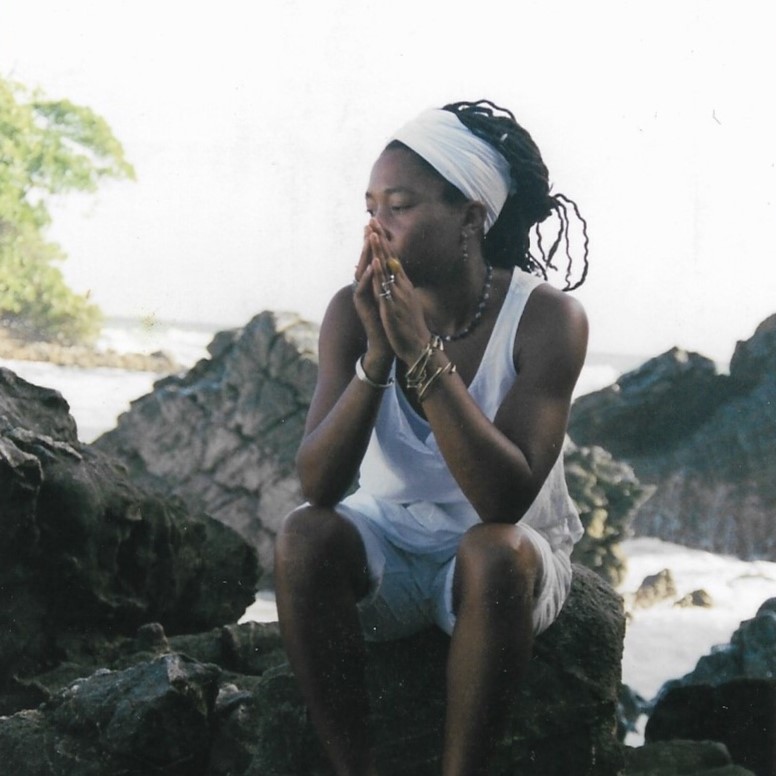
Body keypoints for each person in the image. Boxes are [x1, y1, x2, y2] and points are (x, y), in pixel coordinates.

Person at [274, 99, 590, 776]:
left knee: (493, 552)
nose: (375, 227)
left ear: (472, 216)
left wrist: (421, 353)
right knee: (303, 534)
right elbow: (319, 485)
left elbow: (502, 502)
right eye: (370, 207)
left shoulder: (546, 320)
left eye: (400, 206)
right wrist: (379, 360)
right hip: (390, 546)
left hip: (499, 566)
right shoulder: (351, 312)